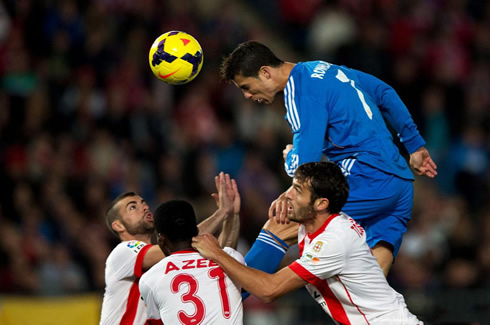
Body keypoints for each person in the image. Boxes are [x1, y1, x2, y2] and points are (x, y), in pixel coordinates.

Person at [220, 40, 438, 275]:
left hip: (366, 176)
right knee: (369, 286)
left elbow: (307, 164)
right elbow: (384, 93)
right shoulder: (324, 68)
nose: (247, 95)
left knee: (281, 223)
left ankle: (232, 294)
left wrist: (290, 157)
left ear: (265, 72)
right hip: (399, 182)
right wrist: (415, 146)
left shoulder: (300, 91)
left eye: (246, 86)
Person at [192, 162, 423, 325]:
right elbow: (265, 250)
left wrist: (216, 253)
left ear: (321, 203)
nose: (287, 195)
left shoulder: (335, 240)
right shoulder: (310, 225)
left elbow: (269, 290)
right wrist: (230, 214)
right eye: (291, 186)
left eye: (298, 190)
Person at [99, 172, 296, 324]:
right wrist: (221, 213)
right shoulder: (123, 252)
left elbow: (221, 264)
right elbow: (184, 238)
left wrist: (231, 217)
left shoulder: (161, 269)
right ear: (118, 226)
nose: (143, 207)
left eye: (143, 203)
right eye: (132, 207)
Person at [139, 199, 245, 324]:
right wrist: (233, 216)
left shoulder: (150, 279)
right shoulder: (230, 258)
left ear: (161, 239)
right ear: (195, 231)